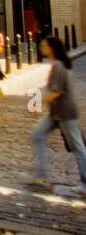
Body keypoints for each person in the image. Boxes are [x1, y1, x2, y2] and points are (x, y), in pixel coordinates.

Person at [30, 36, 86, 192]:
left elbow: (56, 92)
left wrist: (38, 103)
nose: (42, 48)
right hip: (55, 113)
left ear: (52, 48)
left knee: (78, 148)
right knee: (37, 134)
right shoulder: (58, 65)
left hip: (66, 113)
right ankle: (41, 171)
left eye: (44, 45)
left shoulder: (59, 66)